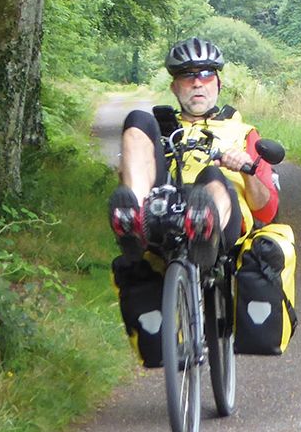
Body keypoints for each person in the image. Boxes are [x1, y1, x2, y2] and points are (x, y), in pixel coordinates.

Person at [109, 37, 278, 267]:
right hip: (164, 212)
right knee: (137, 119)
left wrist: (247, 170)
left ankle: (203, 228)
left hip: (221, 220)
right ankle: (133, 219)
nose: (198, 82)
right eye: (187, 75)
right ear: (174, 87)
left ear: (218, 84)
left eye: (206, 74)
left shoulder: (243, 132)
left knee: (212, 176)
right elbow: (129, 173)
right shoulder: (158, 131)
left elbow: (266, 212)